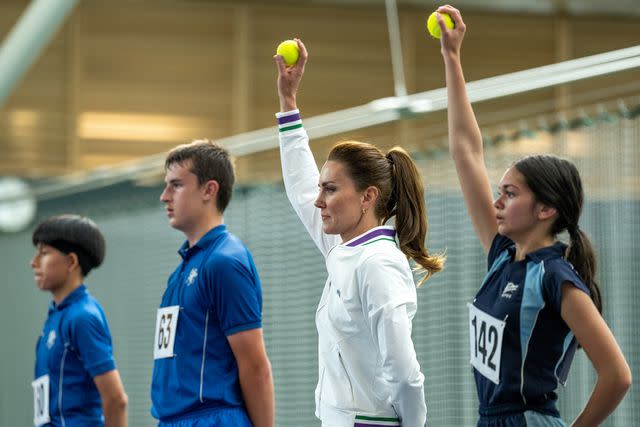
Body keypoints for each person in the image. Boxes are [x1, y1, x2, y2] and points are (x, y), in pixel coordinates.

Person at [436, 5, 632, 426]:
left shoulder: (556, 278)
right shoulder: (504, 255)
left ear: (545, 209)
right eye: (499, 192)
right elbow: (466, 151)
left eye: (510, 193)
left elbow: (617, 375)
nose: (497, 202)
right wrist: (452, 59)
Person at [275, 39, 444, 427]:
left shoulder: (379, 264)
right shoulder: (342, 246)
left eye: (330, 190)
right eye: (322, 188)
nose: (318, 200)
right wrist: (288, 101)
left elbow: (406, 374)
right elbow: (301, 185)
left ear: (368, 197)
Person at [152, 139, 274, 427]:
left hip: (213, 420)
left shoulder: (225, 262)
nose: (164, 196)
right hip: (173, 419)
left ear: (209, 189)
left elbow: (255, 366)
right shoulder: (182, 270)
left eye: (176, 185)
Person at [31, 214, 128, 427]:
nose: (34, 263)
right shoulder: (56, 317)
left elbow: (116, 400)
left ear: (71, 262)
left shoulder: (83, 317)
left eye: (44, 253)